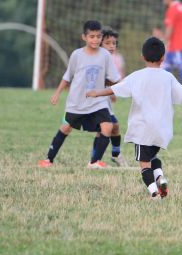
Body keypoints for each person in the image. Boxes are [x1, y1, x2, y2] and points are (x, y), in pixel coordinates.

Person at [86, 37, 182, 199]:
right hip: (162, 130)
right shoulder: (168, 77)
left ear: (142, 57)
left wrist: (96, 93)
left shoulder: (137, 76)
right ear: (163, 57)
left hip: (142, 129)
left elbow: (114, 89)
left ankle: (154, 193)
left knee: (144, 165)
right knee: (153, 157)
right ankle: (160, 176)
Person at [39, 20, 121, 169]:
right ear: (84, 37)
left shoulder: (105, 56)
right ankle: (48, 160)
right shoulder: (77, 55)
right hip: (77, 101)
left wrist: (120, 89)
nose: (95, 40)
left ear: (101, 37)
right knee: (66, 128)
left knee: (107, 127)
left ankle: (94, 162)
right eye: (91, 36)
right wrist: (57, 93)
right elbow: (67, 76)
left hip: (97, 101)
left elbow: (114, 79)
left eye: (98, 36)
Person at [90, 28, 129, 167]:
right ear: (100, 44)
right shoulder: (97, 60)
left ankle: (114, 154)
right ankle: (95, 160)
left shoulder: (109, 60)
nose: (112, 46)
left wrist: (112, 92)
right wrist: (111, 90)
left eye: (114, 43)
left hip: (104, 99)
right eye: (108, 43)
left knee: (114, 127)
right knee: (105, 128)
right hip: (95, 101)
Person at [162, 0, 182, 90]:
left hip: (176, 44)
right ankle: (163, 86)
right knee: (166, 65)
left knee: (181, 65)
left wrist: (164, 41)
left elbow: (170, 27)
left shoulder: (172, 8)